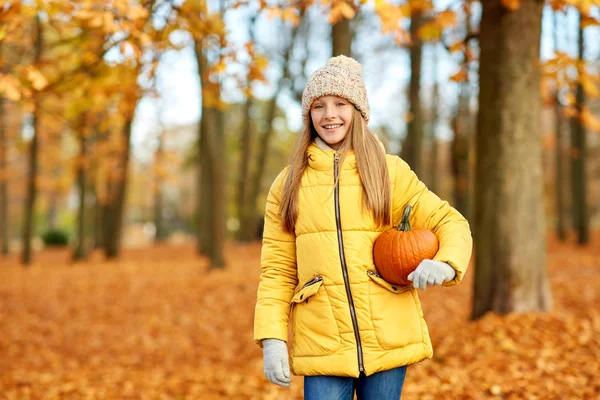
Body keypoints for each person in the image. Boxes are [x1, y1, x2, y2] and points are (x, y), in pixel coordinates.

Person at [253, 55, 473, 400]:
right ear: (308, 115)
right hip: (323, 340)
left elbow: (450, 221)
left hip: (387, 333)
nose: (329, 114)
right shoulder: (288, 184)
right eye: (319, 106)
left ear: (358, 111)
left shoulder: (390, 171)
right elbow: (277, 270)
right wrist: (272, 338)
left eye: (340, 103)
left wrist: (445, 263)